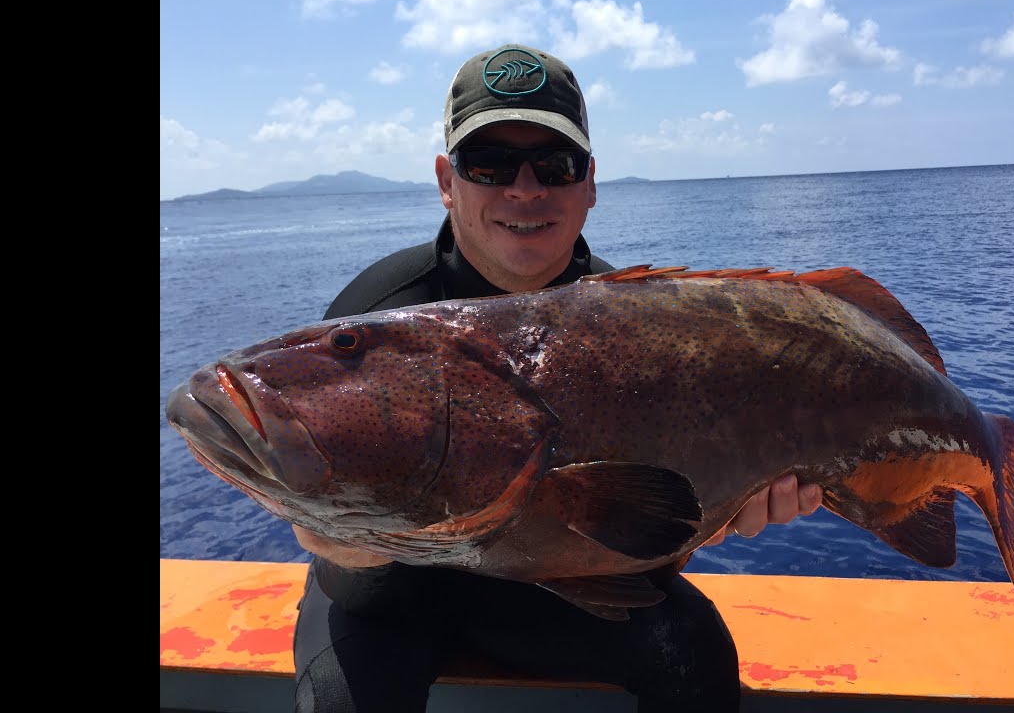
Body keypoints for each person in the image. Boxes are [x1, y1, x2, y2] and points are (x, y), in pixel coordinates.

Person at [291, 43, 823, 713]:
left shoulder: (638, 323)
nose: (525, 188)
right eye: (488, 164)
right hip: (391, 602)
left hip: (560, 587)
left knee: (696, 651)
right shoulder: (378, 319)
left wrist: (711, 514)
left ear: (589, 183)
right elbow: (314, 484)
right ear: (447, 181)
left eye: (555, 164)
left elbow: (644, 526)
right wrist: (329, 533)